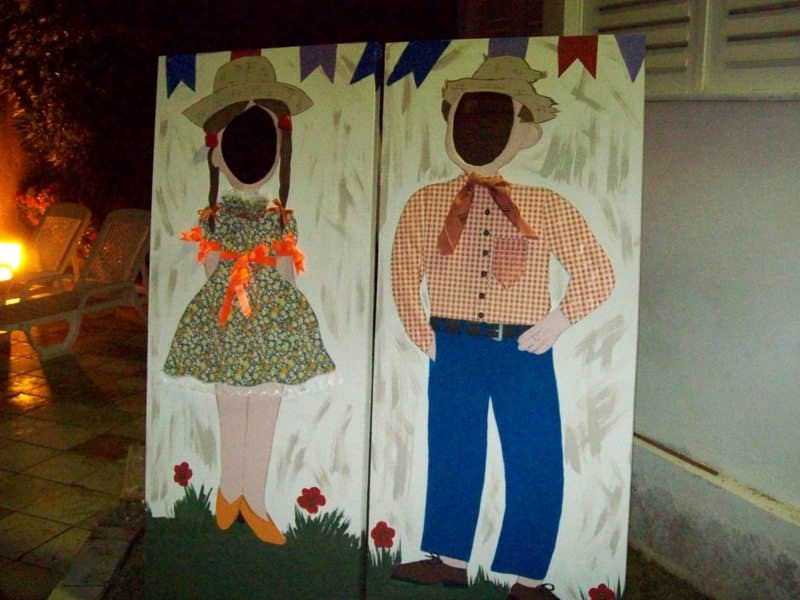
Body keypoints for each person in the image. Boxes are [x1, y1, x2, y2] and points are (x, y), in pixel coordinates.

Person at [389, 56, 615, 600]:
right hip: (452, 343)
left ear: (524, 130)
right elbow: (404, 269)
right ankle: (449, 560)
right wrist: (424, 334)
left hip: (523, 347)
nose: (479, 130)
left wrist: (558, 320)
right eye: (468, 116)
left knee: (534, 453)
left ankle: (528, 580)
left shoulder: (543, 205)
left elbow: (597, 270)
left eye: (495, 117)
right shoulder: (427, 203)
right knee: (453, 447)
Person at [163, 55, 335, 544]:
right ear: (217, 154)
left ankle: (253, 498)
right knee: (231, 402)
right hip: (226, 318)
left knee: (265, 404)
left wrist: (287, 316)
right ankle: (229, 490)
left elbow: (287, 271)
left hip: (271, 322)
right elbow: (212, 269)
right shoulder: (213, 219)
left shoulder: (280, 219)